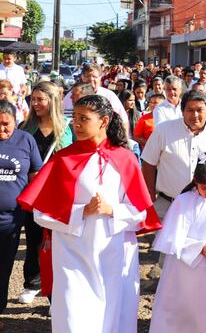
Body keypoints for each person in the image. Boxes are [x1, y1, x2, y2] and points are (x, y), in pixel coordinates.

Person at [17, 95, 161, 333]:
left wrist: (112, 209)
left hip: (115, 253)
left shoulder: (124, 159)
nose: (77, 124)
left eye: (84, 119)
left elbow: (140, 212)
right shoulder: (62, 159)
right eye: (75, 118)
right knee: (74, 318)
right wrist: (81, 211)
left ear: (104, 121)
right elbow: (41, 213)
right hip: (72, 255)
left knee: (113, 316)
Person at [149, 160, 206, 333]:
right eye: (204, 188)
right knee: (176, 308)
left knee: (204, 309)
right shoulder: (183, 201)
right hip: (181, 269)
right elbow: (171, 237)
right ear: (195, 181)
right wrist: (199, 247)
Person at [142, 91, 206, 221]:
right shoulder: (163, 130)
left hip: (205, 208)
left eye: (200, 110)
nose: (195, 115)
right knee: (161, 241)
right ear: (182, 111)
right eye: (190, 110)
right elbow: (149, 163)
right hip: (167, 206)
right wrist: (150, 197)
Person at [18, 81, 73, 304]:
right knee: (33, 239)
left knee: (58, 243)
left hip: (59, 194)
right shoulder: (24, 127)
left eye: (41, 99)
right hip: (33, 193)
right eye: (33, 99)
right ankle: (32, 283)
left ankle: (56, 293)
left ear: (53, 101)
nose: (36, 103)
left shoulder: (69, 128)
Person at [0, 100, 42, 326]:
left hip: (12, 218)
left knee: (4, 265)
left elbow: (36, 172)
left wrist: (31, 202)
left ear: (16, 122)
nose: (1, 129)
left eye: (6, 124)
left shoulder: (25, 140)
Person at [62, 63, 129, 132]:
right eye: (87, 76)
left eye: (94, 76)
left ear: (100, 78)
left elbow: (123, 120)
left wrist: (123, 140)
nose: (91, 79)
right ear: (82, 77)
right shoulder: (72, 95)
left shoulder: (109, 95)